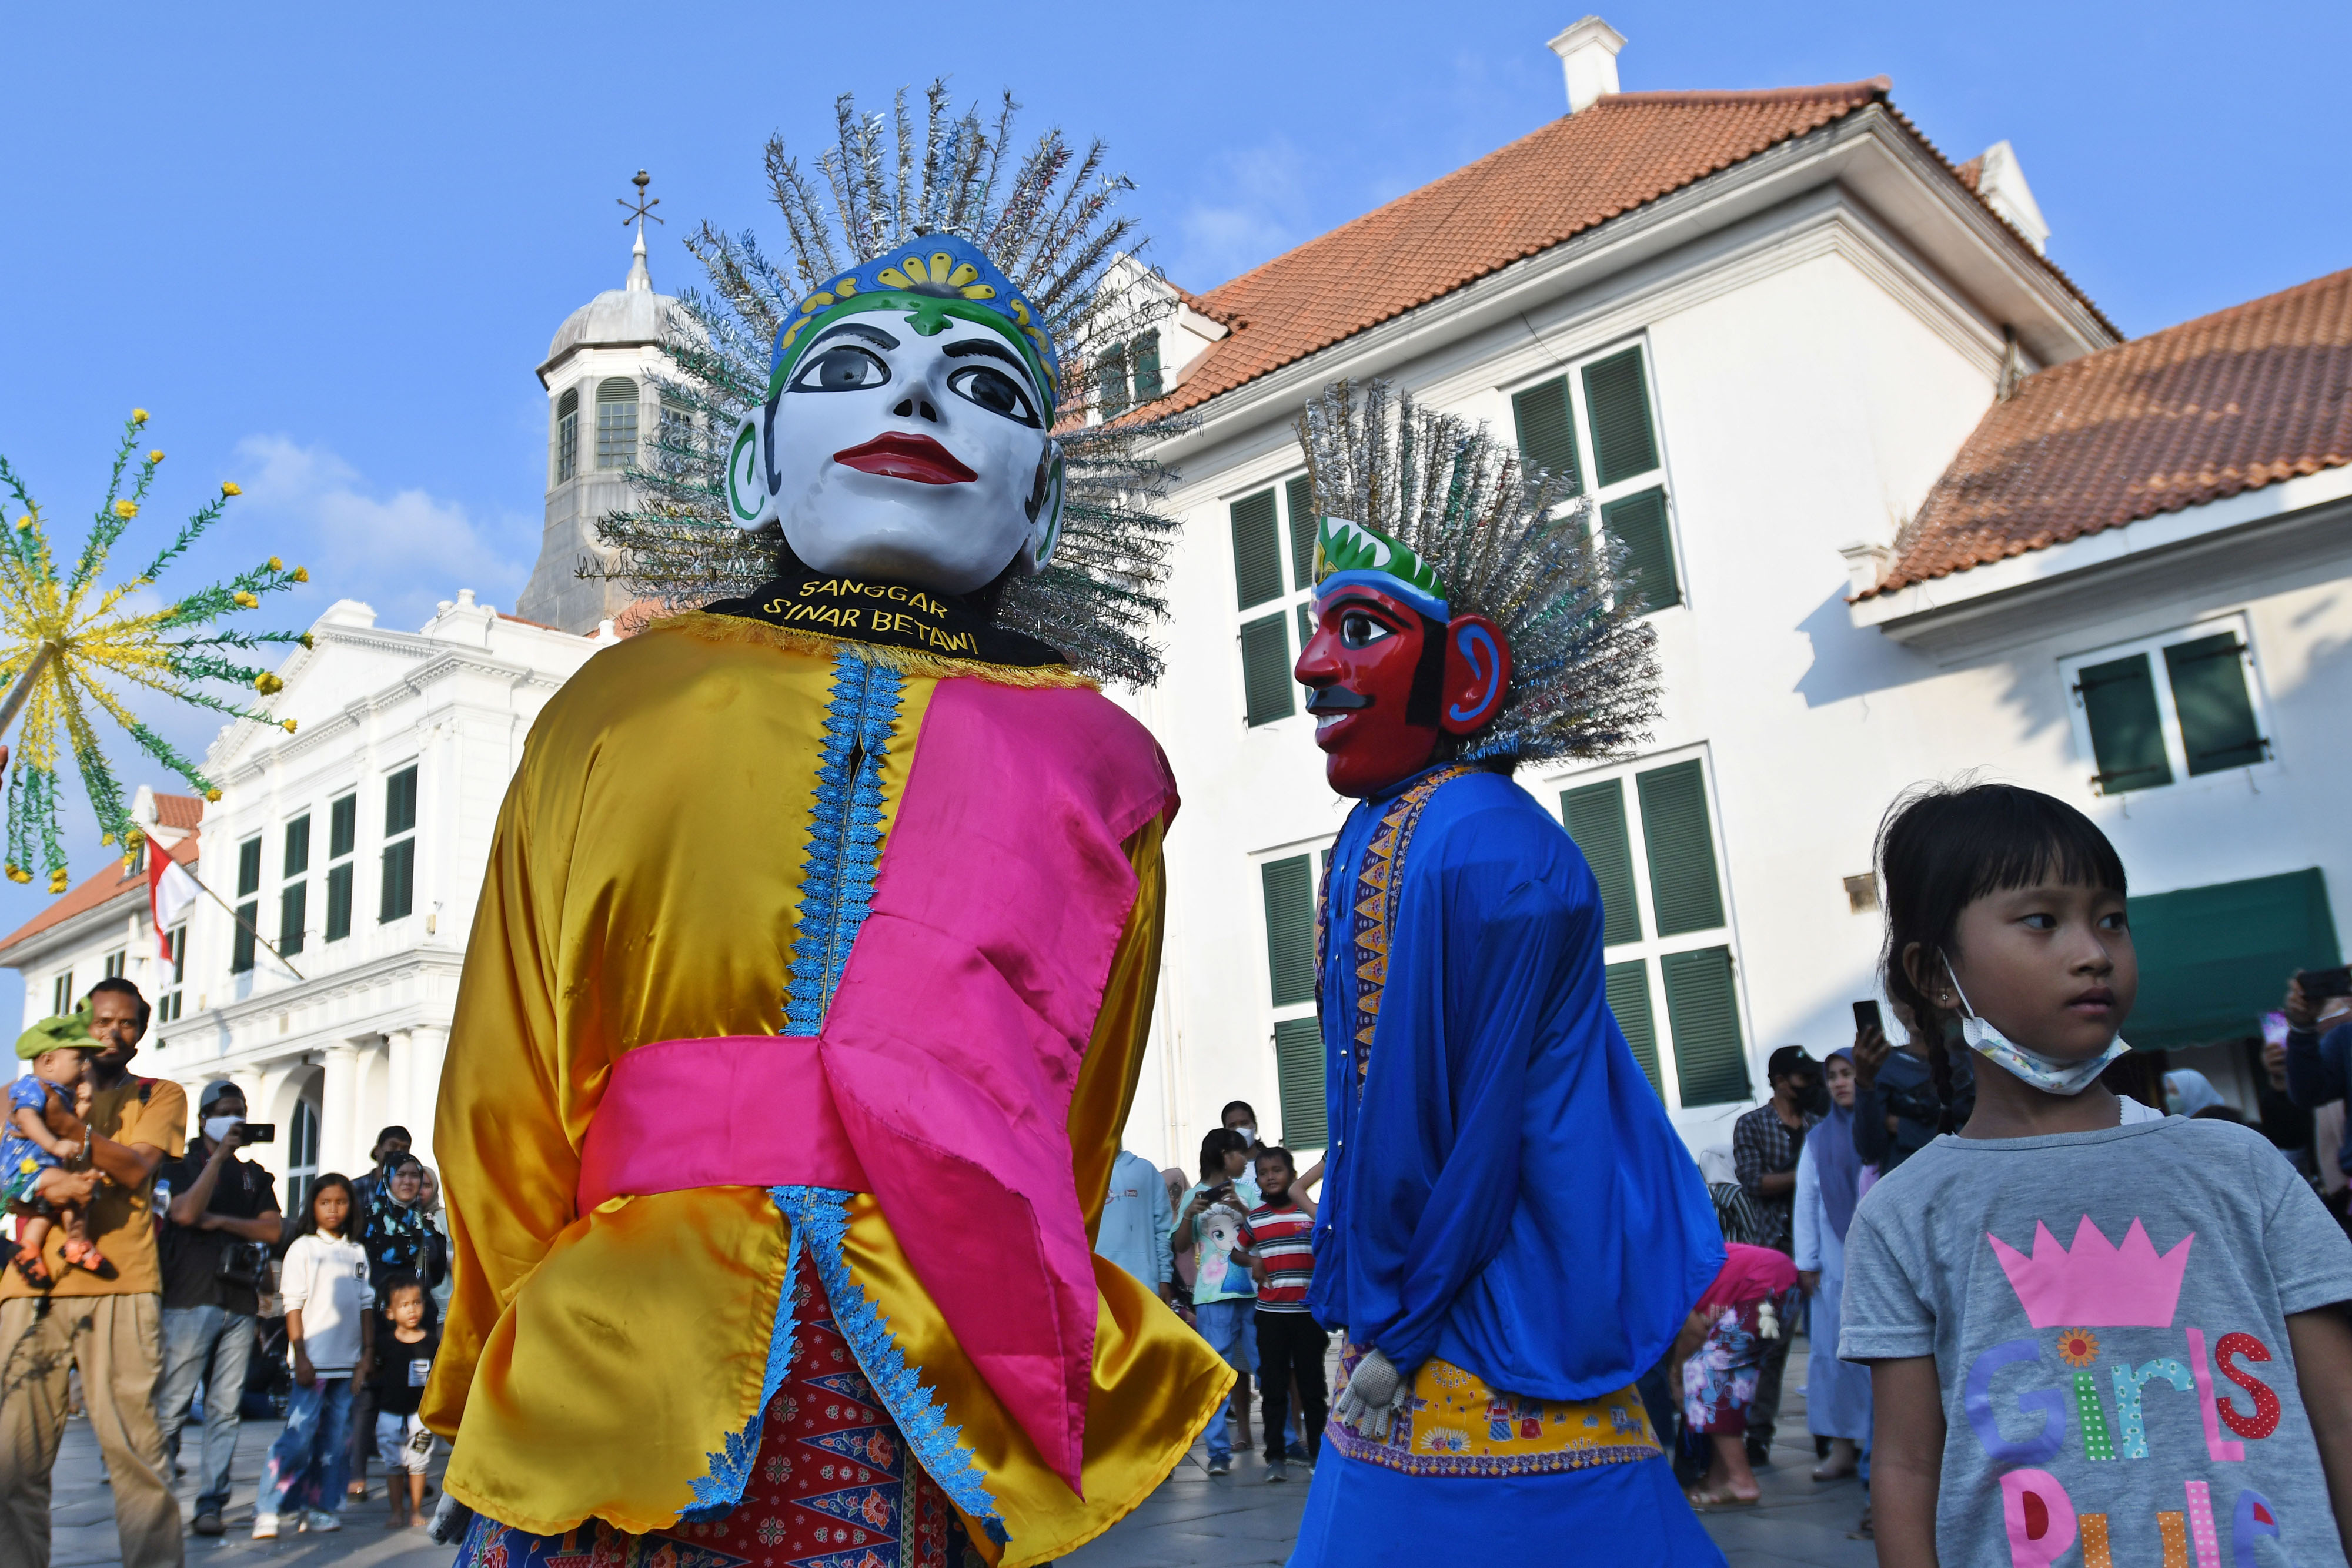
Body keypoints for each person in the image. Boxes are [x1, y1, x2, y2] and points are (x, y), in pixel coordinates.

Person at [425, 98, 1229, 1568]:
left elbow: (1076, 1106)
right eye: (855, 371)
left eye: (978, 385)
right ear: (752, 465)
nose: (915, 403)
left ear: (1042, 498)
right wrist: (498, 1348)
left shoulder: (1098, 762)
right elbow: (507, 1072)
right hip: (622, 1346)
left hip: (927, 1356)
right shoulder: (616, 706)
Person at [1287, 383, 1723, 1567]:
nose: (1310, 664)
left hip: (1486, 1306)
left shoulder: (1477, 843)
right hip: (1442, 1305)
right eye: (1318, 628)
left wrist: (1392, 1318)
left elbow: (1470, 1121)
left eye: (1359, 630)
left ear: (1466, 672)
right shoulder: (1413, 826)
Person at [1840, 782, 2352, 1568]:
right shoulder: (1904, 1212)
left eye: (2111, 918)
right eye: (2042, 920)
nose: (2094, 950)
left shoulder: (2239, 1164)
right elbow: (1907, 1468)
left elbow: (2341, 1414)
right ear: (1937, 974)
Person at [0, 984, 187, 1568]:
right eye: (101, 1020)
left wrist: (63, 1126)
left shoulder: (159, 1095)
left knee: (135, 1452)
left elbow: (134, 1169)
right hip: (31, 1286)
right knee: (14, 1460)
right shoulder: (16, 1093)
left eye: (127, 1024)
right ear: (81, 1023)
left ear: (140, 1034)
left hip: (122, 1282)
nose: (112, 1032)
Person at [155, 1079, 283, 1538]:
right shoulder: (178, 1166)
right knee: (171, 1405)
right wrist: (217, 1161)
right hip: (190, 1296)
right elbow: (185, 1213)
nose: (237, 1117)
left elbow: (272, 1230)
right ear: (205, 1117)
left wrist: (223, 1221)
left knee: (225, 1407)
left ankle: (212, 1500)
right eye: (228, 1110)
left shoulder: (254, 1174)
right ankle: (156, 1498)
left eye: (242, 1110)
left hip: (239, 1299)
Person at [255, 1173, 373, 1539]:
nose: (333, 1209)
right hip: (313, 1364)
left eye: (341, 1202)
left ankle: (321, 1506)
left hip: (347, 1363)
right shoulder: (303, 1248)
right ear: (313, 1206)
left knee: (336, 1443)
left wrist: (366, 1356)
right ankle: (269, 1506)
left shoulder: (357, 1252)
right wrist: (300, 1355)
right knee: (299, 1436)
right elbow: (292, 1305)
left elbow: (366, 1305)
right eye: (325, 1202)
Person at [1730, 1044, 1822, 1466]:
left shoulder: (1820, 1123)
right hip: (1774, 1249)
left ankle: (1829, 1431)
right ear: (1780, 1081)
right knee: (1770, 1345)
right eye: (1802, 1078)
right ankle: (1759, 1434)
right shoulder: (1751, 1124)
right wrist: (1805, 1176)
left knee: (1828, 1342)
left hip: (1817, 1244)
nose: (1811, 1085)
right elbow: (1753, 1181)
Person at [1792, 1048, 1871, 1489]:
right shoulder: (1819, 1139)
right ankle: (1842, 1447)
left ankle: (1883, 1446)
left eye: (1849, 1073)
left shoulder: (1883, 1127)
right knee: (1834, 1356)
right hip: (1833, 1264)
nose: (1841, 1082)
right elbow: (1806, 1202)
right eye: (1834, 1076)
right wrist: (1807, 1261)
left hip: (1880, 1260)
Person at [1675, 1243, 1803, 1509]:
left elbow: (1693, 1332)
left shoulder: (1657, 1276)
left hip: (1765, 1284)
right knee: (1731, 1382)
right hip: (1781, 1281)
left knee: (1703, 1371)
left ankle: (1741, 1480)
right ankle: (1721, 1476)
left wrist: (1675, 1374)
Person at [347, 1151, 442, 1502]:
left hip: (420, 1317)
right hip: (381, 1317)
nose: (407, 1181)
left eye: (414, 1176)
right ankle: (357, 1474)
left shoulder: (426, 1222)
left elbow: (435, 1271)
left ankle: (412, 1470)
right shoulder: (369, 1221)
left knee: (417, 1396)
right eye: (400, 1174)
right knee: (371, 1396)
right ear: (386, 1177)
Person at [1234, 1146, 1324, 1483]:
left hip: (1308, 1315)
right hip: (1269, 1316)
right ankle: (1275, 1456)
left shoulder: (1311, 1215)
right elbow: (1237, 1253)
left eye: (1277, 1170)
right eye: (1263, 1172)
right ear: (1257, 1180)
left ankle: (1317, 1453)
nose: (1270, 1177)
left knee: (1313, 1385)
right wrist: (1254, 1261)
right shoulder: (1255, 1220)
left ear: (1292, 1175)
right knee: (1272, 1388)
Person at [1176, 1127, 1259, 1475]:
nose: (1245, 1159)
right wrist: (1188, 1215)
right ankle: (1218, 1454)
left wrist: (1243, 1208)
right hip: (1212, 1297)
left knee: (1266, 1367)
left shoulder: (1249, 1191)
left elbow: (1262, 1233)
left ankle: (1284, 1444)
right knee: (1217, 1375)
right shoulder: (1193, 1195)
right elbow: (1180, 1245)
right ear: (1224, 1156)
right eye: (1240, 1153)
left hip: (1254, 1292)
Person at [4, 1019, 101, 1282]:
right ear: (48, 1062)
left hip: (37, 1169)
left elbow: (71, 1125)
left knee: (48, 1208)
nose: (85, 1066)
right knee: (78, 1191)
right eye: (79, 1059)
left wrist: (85, 1102)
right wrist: (54, 1145)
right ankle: (77, 1243)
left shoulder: (61, 1093)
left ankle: (29, 1247)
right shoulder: (33, 1086)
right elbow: (26, 1117)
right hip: (27, 1168)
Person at [1851, 1001, 1976, 1176]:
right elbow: (1870, 1149)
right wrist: (1864, 1082)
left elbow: (1974, 1134)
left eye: (1910, 998)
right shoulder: (1885, 1065)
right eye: (1898, 1002)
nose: (1908, 1008)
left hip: (1966, 1173)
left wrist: (1903, 1127)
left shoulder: (1968, 1060)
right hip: (1910, 1182)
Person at [366, 1275, 440, 1530]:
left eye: (417, 1303)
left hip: (421, 1415)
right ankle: (396, 1510)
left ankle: (416, 1509)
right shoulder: (385, 1344)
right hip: (390, 1414)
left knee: (419, 1463)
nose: (412, 1309)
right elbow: (373, 1371)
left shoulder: (432, 1343)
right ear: (390, 1313)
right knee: (394, 1465)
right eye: (404, 1305)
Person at [1097, 1146, 1175, 1302]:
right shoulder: (1079, 1170)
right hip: (1097, 1285)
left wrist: (1165, 1278)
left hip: (1144, 1285)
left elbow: (1163, 1230)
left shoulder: (1145, 1170)